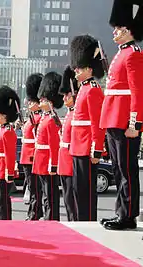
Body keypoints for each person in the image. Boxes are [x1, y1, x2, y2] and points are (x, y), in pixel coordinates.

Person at [99, 0, 143, 230]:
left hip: (124, 119)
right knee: (118, 169)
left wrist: (135, 123)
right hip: (113, 118)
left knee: (127, 170)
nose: (114, 32)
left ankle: (128, 215)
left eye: (118, 28)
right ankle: (121, 212)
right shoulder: (121, 54)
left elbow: (138, 92)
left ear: (127, 30)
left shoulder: (133, 54)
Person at [69, 35, 106, 222]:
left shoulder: (93, 89)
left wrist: (96, 148)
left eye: (79, 68)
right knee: (78, 189)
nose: (75, 71)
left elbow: (97, 123)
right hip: (77, 146)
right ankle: (79, 220)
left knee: (86, 190)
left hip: (86, 147)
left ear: (89, 69)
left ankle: (88, 221)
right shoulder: (83, 88)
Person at [32, 72, 63, 221]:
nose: (40, 101)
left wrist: (53, 164)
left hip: (47, 162)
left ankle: (51, 217)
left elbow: (54, 144)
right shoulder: (45, 118)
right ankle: (47, 215)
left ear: (50, 101)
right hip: (41, 160)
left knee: (50, 193)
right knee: (45, 193)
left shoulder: (51, 119)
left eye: (43, 99)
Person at [0, 86, 20, 220]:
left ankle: (5, 221)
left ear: (4, 115)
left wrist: (9, 172)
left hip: (3, 170)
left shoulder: (8, 131)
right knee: (0, 200)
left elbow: (10, 154)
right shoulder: (2, 130)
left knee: (3, 201)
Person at [58, 66, 79, 221]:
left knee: (72, 197)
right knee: (67, 196)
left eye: (67, 95)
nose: (64, 98)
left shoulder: (77, 113)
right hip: (64, 161)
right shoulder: (70, 113)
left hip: (72, 160)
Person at [21, 73, 44, 220]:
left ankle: (35, 213)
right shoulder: (31, 119)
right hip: (26, 157)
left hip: (32, 158)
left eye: (31, 102)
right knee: (31, 188)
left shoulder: (39, 118)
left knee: (35, 189)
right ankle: (34, 211)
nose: (28, 104)